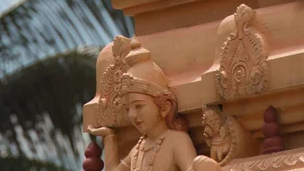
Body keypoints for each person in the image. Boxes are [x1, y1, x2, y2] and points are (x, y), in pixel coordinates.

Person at [88, 39, 220, 171]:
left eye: (139, 106)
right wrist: (110, 139)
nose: (132, 115)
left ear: (164, 108)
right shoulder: (139, 149)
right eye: (128, 109)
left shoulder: (176, 140)